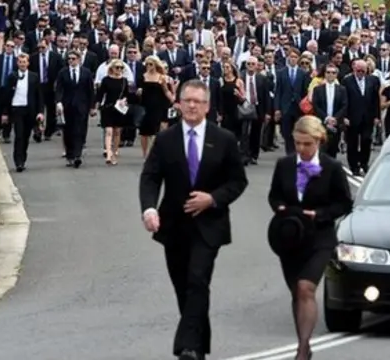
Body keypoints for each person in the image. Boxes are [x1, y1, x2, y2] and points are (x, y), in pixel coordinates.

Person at [139, 79, 248, 360]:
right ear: (178, 103)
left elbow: (238, 181)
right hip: (173, 225)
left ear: (207, 107)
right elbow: (150, 177)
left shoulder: (223, 139)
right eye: (186, 100)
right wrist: (149, 209)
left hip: (209, 225)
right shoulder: (166, 139)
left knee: (197, 280)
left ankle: (186, 346)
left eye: (197, 101)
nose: (191, 105)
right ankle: (198, 347)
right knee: (183, 286)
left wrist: (212, 199)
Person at [267, 115, 352, 360]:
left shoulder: (332, 167)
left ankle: (303, 348)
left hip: (320, 238)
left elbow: (344, 204)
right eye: (298, 143)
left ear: (319, 141)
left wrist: (319, 214)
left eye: (307, 144)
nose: (302, 149)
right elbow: (274, 196)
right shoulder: (284, 165)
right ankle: (303, 342)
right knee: (297, 292)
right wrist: (280, 208)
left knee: (306, 288)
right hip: (291, 237)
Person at [0, 53, 44, 172]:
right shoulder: (12, 77)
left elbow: (39, 96)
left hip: (29, 110)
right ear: (17, 63)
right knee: (18, 136)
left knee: (25, 136)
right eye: (20, 62)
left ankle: (23, 158)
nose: (22, 64)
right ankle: (18, 161)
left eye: (24, 62)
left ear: (28, 63)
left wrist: (40, 112)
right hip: (16, 109)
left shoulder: (34, 77)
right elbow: (6, 96)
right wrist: (5, 113)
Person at [55, 50, 96, 168]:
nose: (71, 61)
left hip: (81, 106)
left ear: (79, 60)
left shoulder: (86, 73)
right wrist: (58, 102)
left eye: (73, 59)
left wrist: (92, 106)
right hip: (67, 106)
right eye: (69, 59)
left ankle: (78, 155)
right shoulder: (63, 72)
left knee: (80, 130)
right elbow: (59, 89)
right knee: (68, 131)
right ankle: (70, 155)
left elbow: (90, 91)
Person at [95, 59, 129, 165]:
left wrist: (125, 100)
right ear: (112, 68)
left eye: (121, 68)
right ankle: (109, 153)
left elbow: (127, 95)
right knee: (109, 131)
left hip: (119, 108)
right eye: (117, 67)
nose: (119, 69)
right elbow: (100, 94)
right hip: (108, 108)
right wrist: (96, 105)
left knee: (117, 131)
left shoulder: (124, 81)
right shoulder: (106, 80)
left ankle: (114, 152)